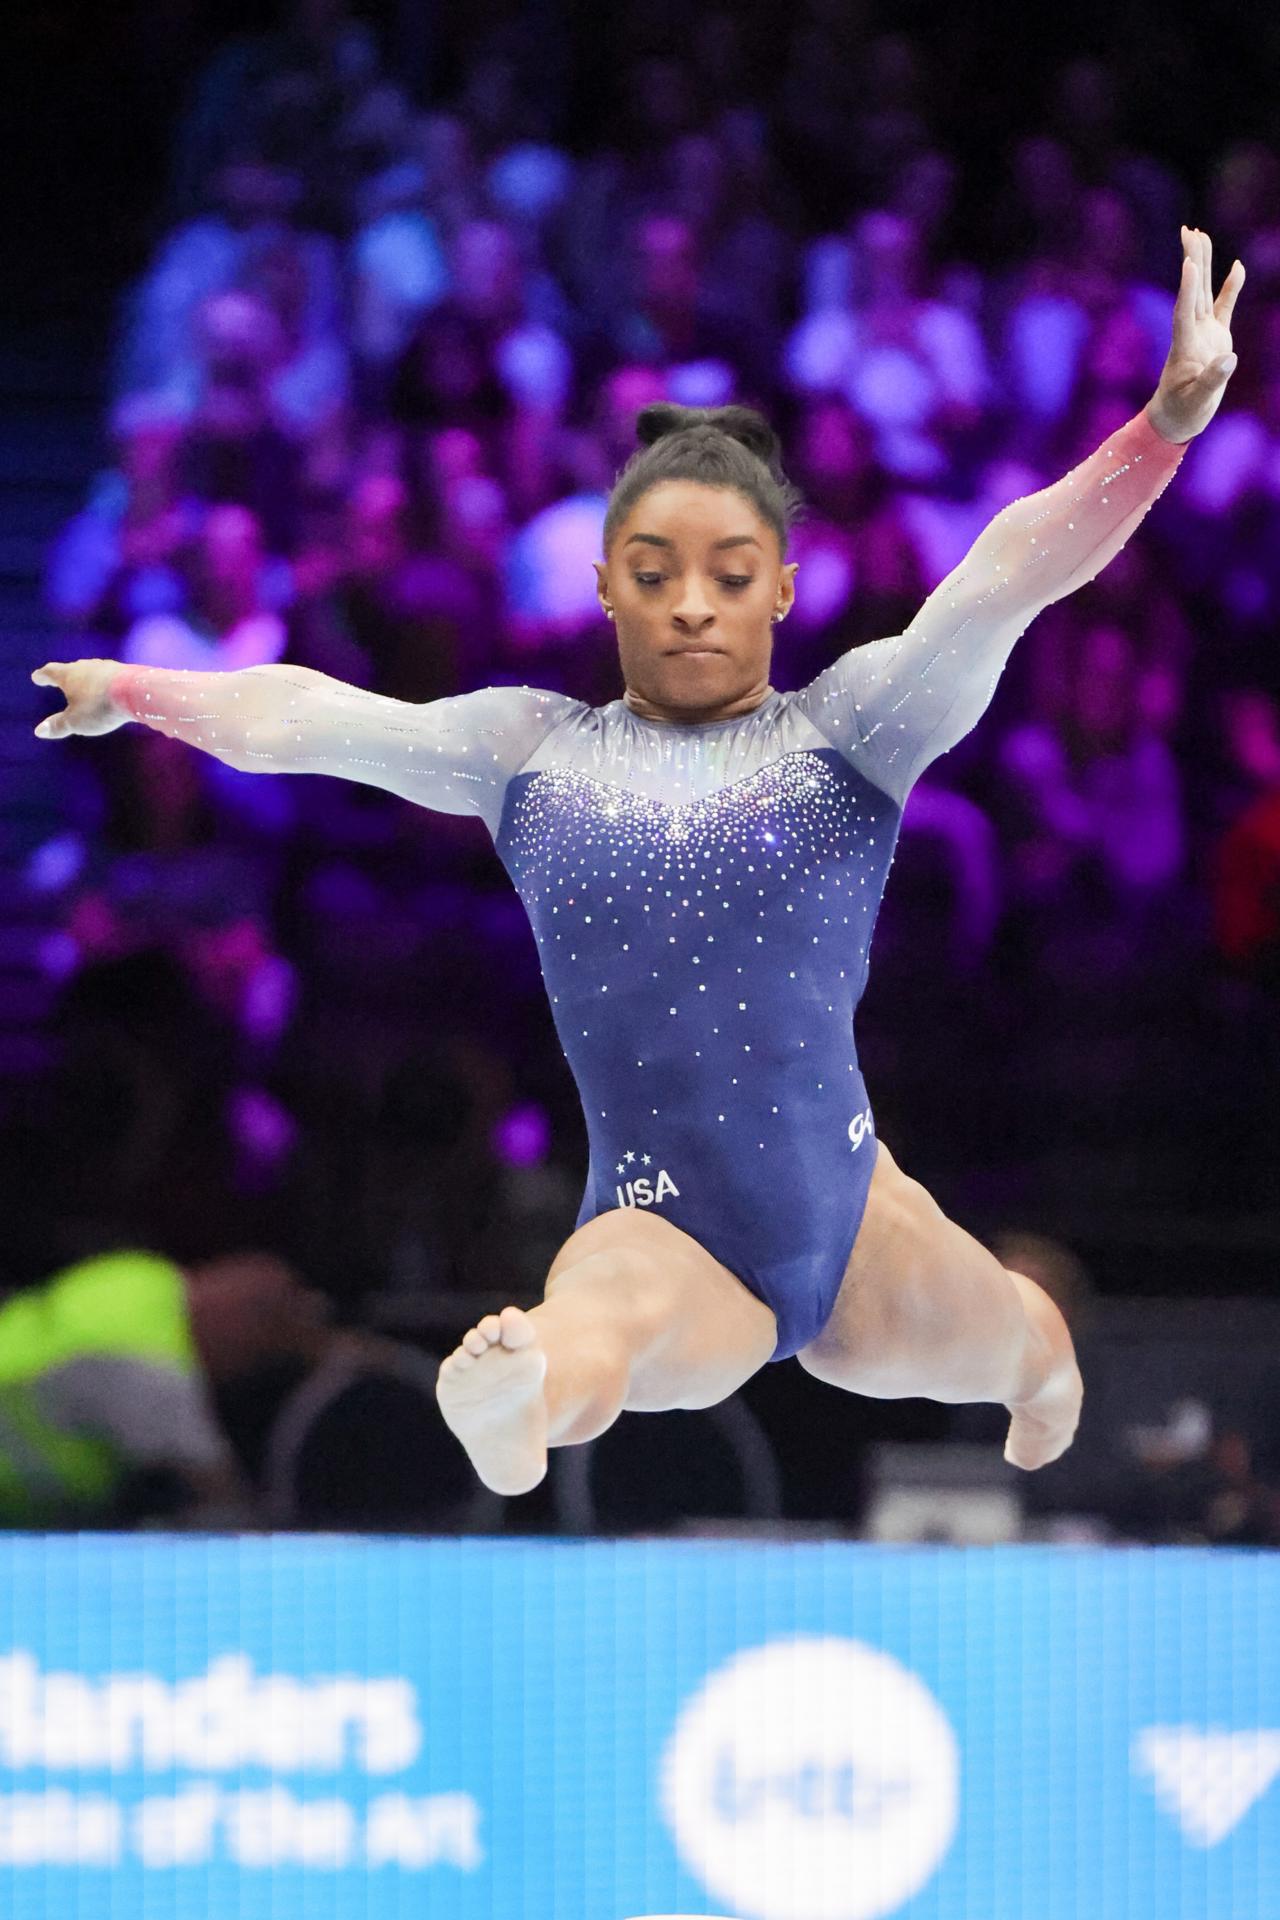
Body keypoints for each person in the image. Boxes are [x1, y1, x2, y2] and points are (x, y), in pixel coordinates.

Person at [33, 226, 1244, 1500]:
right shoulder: (527, 754)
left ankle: (1041, 1381)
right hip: (661, 1213)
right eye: (653, 574)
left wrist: (1161, 423)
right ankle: (523, 1390)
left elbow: (1007, 574)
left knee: (1015, 1344)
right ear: (606, 586)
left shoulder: (854, 730)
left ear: (781, 589)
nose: (689, 605)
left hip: (849, 1210)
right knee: (598, 1314)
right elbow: (321, 719)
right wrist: (140, 686)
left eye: (728, 576)